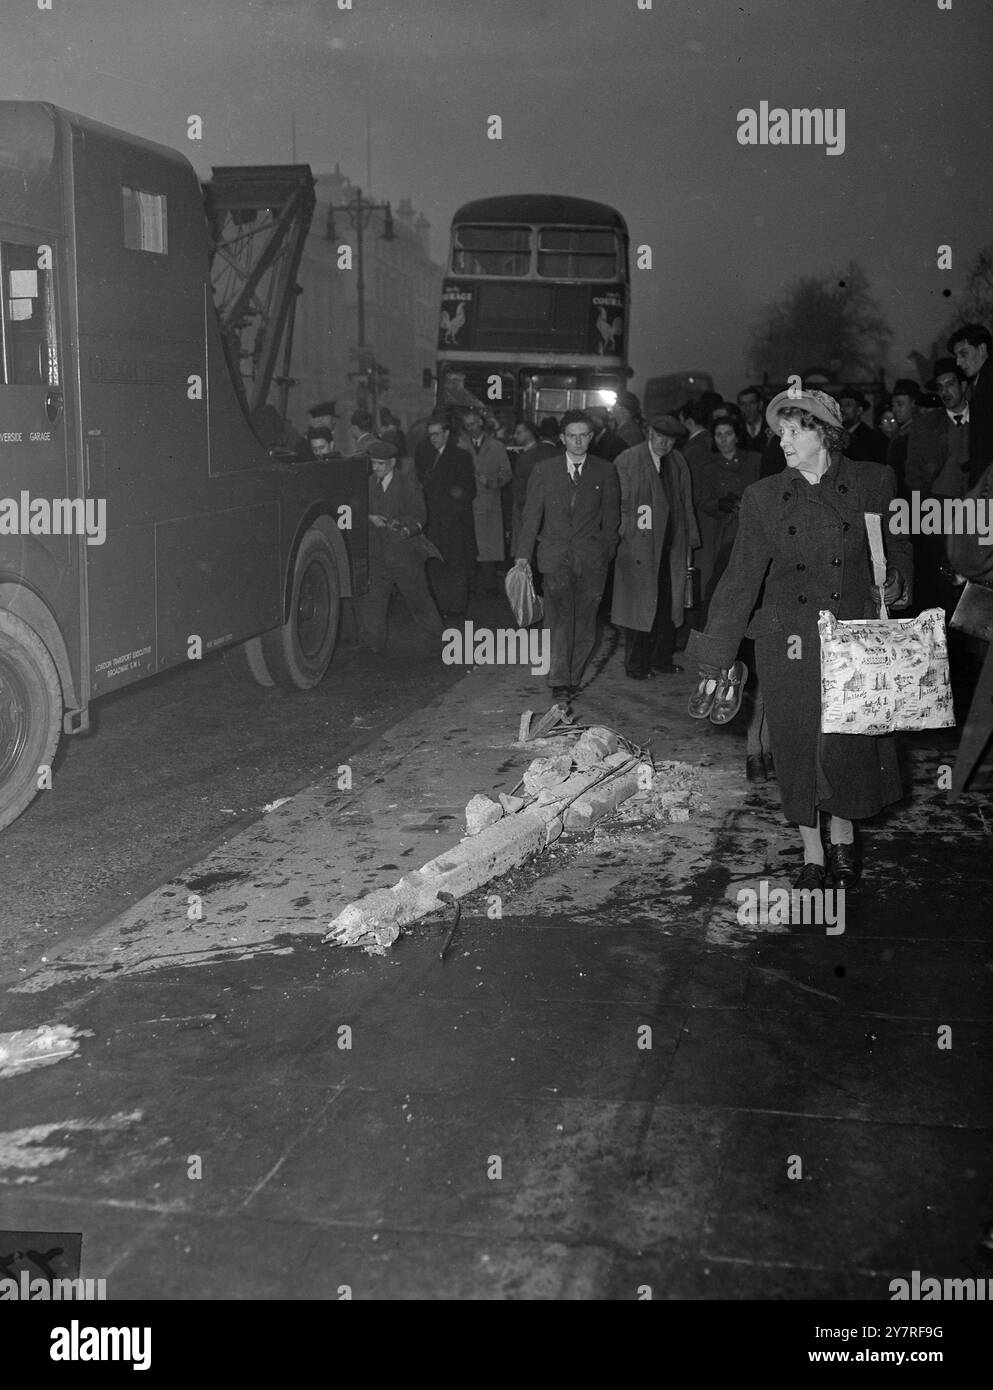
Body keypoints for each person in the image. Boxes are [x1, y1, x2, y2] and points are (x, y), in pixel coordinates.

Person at [686, 389, 913, 893]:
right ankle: (812, 849)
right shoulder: (764, 496)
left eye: (794, 431)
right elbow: (740, 578)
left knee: (846, 745)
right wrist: (714, 657)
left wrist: (897, 581)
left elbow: (897, 545)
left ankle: (843, 833)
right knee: (796, 745)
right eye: (780, 432)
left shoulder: (875, 481)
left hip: (853, 639)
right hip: (788, 638)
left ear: (824, 434)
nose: (782, 440)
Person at [514, 409, 620, 701]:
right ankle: (559, 678)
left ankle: (573, 675)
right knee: (558, 619)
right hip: (554, 556)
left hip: (591, 558)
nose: (577, 441)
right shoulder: (544, 470)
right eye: (571, 436)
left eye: (583, 436)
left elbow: (612, 520)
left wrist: (605, 552)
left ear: (591, 437)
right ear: (562, 438)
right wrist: (523, 554)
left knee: (585, 622)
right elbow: (531, 514)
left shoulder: (605, 470)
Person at [610, 414, 699, 680]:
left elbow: (686, 503)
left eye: (670, 439)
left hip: (671, 547)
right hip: (640, 549)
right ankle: (636, 665)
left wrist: (690, 540)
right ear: (649, 432)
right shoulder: (628, 459)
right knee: (640, 609)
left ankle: (661, 659)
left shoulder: (678, 461)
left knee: (668, 607)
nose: (664, 443)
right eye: (660, 437)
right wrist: (626, 536)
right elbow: (621, 505)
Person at [356, 442, 444, 653]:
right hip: (376, 555)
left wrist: (403, 525)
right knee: (372, 602)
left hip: (404, 555)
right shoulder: (366, 484)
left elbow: (420, 515)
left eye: (380, 464)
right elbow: (357, 511)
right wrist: (369, 518)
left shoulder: (408, 484)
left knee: (419, 600)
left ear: (392, 463)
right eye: (373, 464)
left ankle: (437, 642)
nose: (375, 468)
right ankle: (372, 644)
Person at [905, 357, 972, 614]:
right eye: (940, 386)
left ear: (964, 385)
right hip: (938, 510)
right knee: (942, 581)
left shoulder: (984, 420)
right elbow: (913, 475)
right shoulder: (925, 426)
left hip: (979, 509)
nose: (945, 391)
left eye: (951, 383)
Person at [414, 413, 477, 618]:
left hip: (454, 522)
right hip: (434, 521)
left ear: (447, 433)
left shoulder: (461, 457)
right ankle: (441, 605)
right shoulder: (426, 455)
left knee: (456, 565)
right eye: (430, 435)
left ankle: (456, 607)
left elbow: (470, 490)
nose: (433, 438)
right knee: (437, 564)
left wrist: (452, 501)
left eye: (436, 434)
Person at [696, 416, 761, 613]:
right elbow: (703, 502)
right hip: (725, 532)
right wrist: (720, 504)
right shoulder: (709, 469)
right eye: (718, 435)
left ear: (737, 436)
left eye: (728, 434)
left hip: (754, 532)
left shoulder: (754, 461)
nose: (723, 440)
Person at [460, 406, 512, 594]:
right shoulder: (460, 445)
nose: (471, 428)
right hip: (468, 504)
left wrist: (491, 482)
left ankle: (489, 587)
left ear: (481, 423)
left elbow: (506, 473)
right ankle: (471, 586)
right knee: (470, 546)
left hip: (489, 503)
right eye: (467, 426)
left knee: (488, 549)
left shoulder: (497, 447)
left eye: (473, 424)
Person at [948, 323, 993, 486]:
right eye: (957, 356)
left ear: (982, 349)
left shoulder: (987, 383)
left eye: (964, 354)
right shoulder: (981, 382)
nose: (959, 362)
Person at [510, 418, 559, 557]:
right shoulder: (561, 456)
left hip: (529, 515)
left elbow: (519, 492)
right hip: (554, 518)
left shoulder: (526, 458)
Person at [886, 379, 921, 492]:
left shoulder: (920, 433)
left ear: (913, 404)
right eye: (893, 405)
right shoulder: (899, 432)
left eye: (900, 404)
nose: (895, 410)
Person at [836, 388, 886, 463]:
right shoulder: (835, 435)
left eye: (848, 405)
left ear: (859, 410)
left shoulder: (871, 438)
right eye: (840, 405)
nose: (842, 409)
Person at [737, 385, 772, 452]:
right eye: (743, 404)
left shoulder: (771, 426)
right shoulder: (736, 428)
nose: (747, 408)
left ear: (760, 405)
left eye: (752, 403)